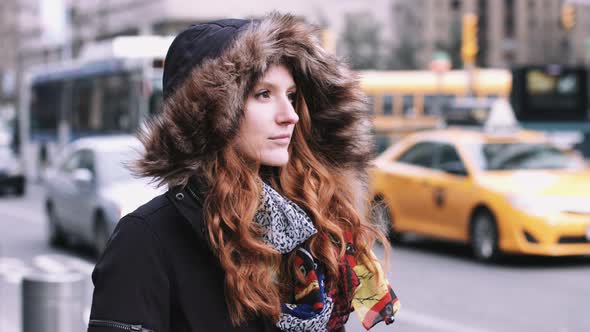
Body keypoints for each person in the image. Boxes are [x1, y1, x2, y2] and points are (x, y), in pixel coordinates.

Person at [87, 12, 399, 332]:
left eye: (291, 96)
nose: (289, 115)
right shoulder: (146, 239)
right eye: (264, 94)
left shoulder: (310, 230)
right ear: (210, 114)